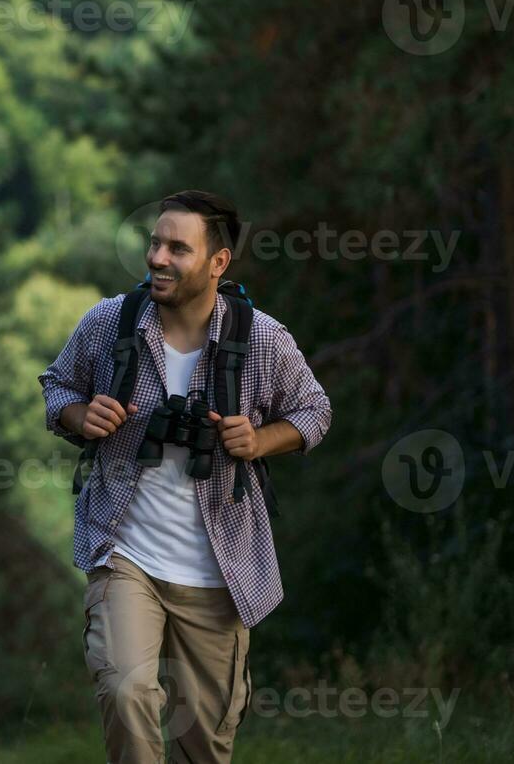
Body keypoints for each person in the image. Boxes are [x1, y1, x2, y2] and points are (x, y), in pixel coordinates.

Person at [38, 190, 331, 763]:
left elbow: (314, 411)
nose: (158, 258)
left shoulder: (262, 340)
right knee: (126, 690)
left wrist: (260, 439)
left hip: (220, 568)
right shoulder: (110, 323)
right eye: (154, 242)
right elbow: (58, 387)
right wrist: (81, 415)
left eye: (178, 248)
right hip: (125, 553)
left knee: (204, 742)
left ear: (217, 264)